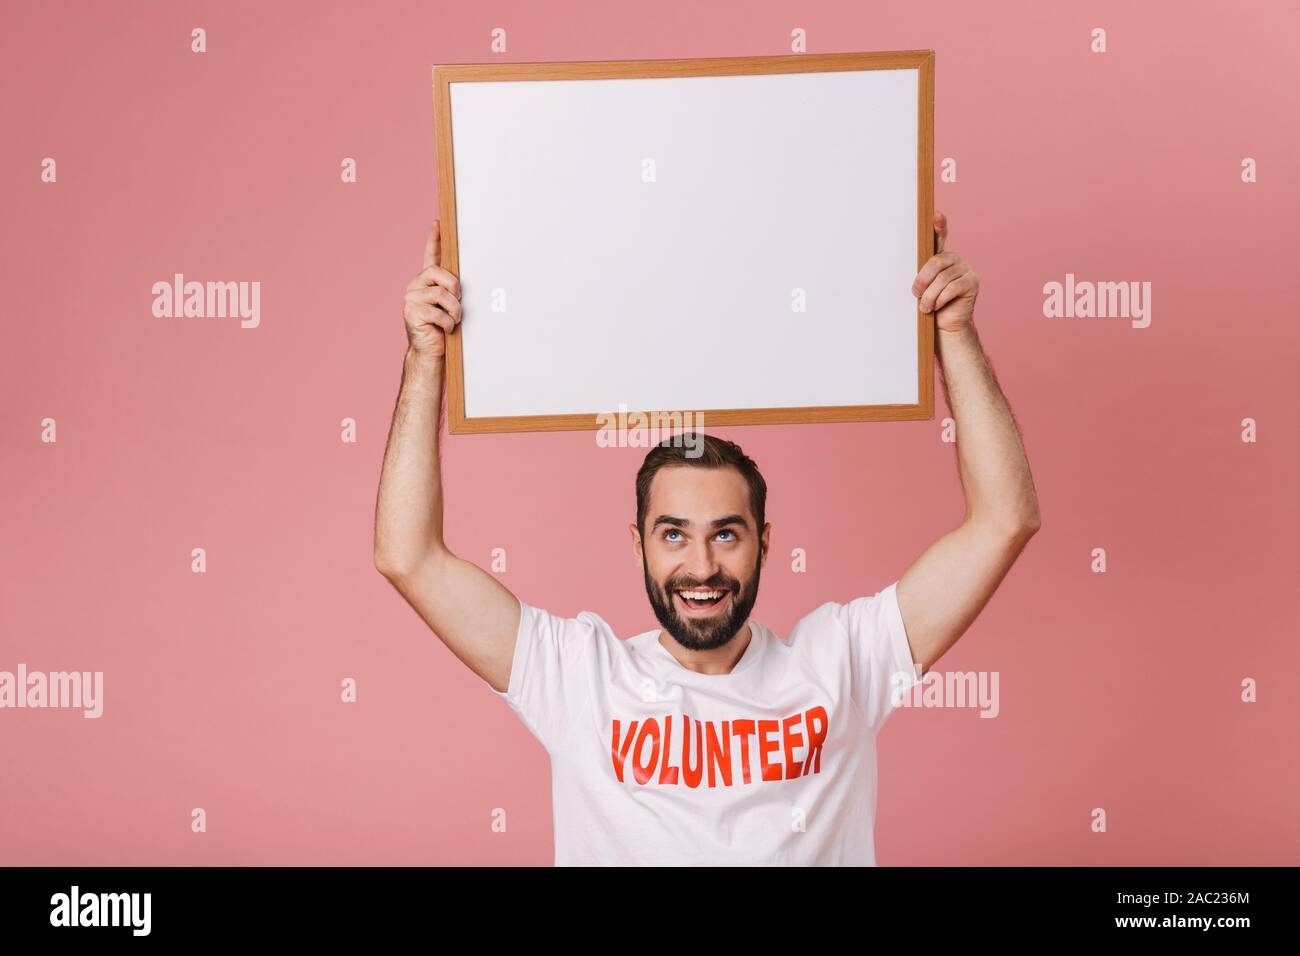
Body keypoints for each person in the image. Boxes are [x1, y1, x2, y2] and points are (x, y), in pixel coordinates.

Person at [373, 212, 1041, 865]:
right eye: (674, 535)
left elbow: (1005, 519)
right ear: (639, 545)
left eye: (726, 534)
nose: (701, 567)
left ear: (765, 541)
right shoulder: (578, 676)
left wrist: (955, 334)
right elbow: (408, 557)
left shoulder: (844, 663)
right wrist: (425, 359)